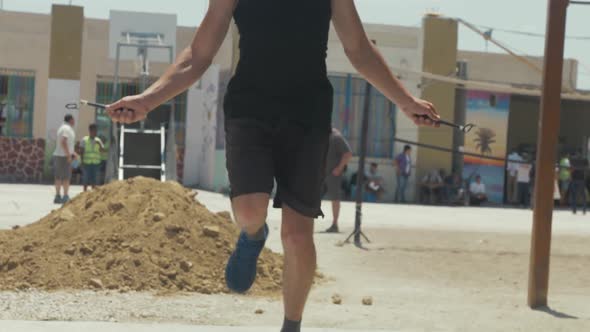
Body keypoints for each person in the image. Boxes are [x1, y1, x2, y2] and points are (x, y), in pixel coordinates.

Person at [105, 1, 439, 331]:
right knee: (250, 214)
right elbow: (200, 54)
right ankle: (253, 235)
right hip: (249, 110)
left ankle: (291, 326)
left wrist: (406, 101)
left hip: (308, 116)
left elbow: (359, 50)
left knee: (297, 236)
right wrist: (147, 99)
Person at [324, 128, 352, 233]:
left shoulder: (336, 137)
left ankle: (335, 224)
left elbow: (348, 154)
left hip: (333, 174)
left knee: (335, 199)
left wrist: (339, 168)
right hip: (319, 174)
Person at [52, 114, 76, 204]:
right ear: (70, 120)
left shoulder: (62, 128)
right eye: (73, 120)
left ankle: (57, 196)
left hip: (59, 155)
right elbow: (63, 141)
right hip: (64, 157)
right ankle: (65, 196)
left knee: (58, 177)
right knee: (66, 177)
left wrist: (74, 153)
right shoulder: (67, 129)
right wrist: (68, 156)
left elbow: (65, 144)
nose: (74, 122)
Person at [80, 124, 105, 192]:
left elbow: (102, 151)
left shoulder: (98, 140)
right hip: (86, 163)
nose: (95, 132)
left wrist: (99, 144)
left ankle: (93, 194)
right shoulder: (84, 140)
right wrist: (81, 162)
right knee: (85, 179)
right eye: (93, 131)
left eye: (96, 131)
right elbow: (81, 152)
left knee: (95, 180)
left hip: (96, 164)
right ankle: (84, 193)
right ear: (90, 131)